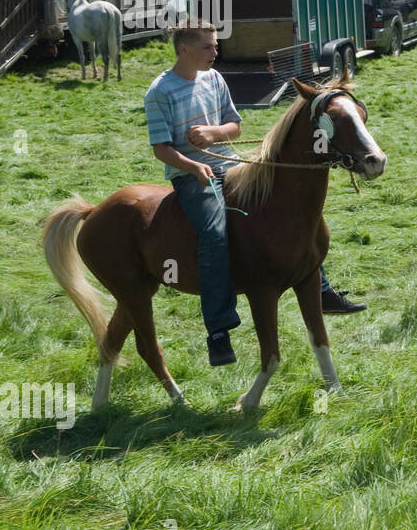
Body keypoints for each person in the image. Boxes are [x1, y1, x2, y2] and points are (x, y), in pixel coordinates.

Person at [144, 22, 364, 366]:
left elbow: (234, 126)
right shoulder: (160, 91)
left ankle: (320, 287)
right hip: (193, 177)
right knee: (213, 234)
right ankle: (218, 329)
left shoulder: (214, 79)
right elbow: (161, 149)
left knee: (288, 210)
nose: (215, 52)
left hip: (231, 165)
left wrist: (214, 134)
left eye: (215, 46)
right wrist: (192, 166)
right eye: (207, 47)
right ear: (184, 49)